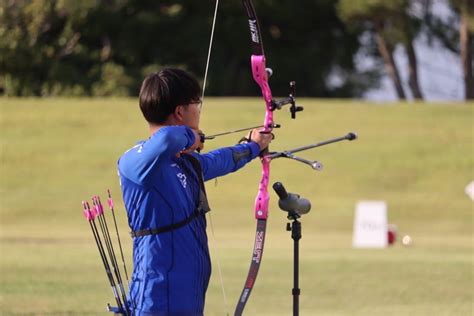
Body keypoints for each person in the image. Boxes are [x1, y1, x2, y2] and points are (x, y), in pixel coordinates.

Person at [117, 68, 273, 315]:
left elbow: (221, 160)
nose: (199, 109)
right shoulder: (134, 163)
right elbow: (166, 140)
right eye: (195, 103)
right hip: (156, 294)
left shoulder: (186, 163)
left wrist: (252, 146)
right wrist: (191, 136)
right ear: (180, 111)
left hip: (188, 294)